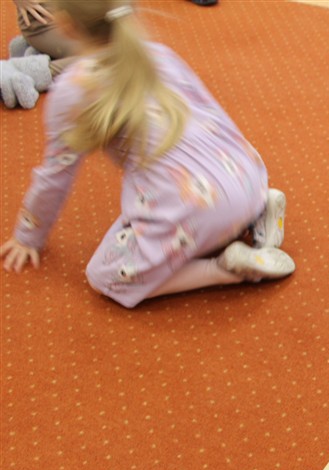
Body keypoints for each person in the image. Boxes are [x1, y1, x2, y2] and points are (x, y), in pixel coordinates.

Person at [0, 0, 294, 308]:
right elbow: (215, 115)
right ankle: (257, 212)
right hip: (249, 176)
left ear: (65, 25)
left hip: (199, 208)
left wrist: (27, 236)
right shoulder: (160, 54)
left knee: (104, 276)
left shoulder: (74, 88)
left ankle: (223, 269)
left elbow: (55, 176)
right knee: (204, 199)